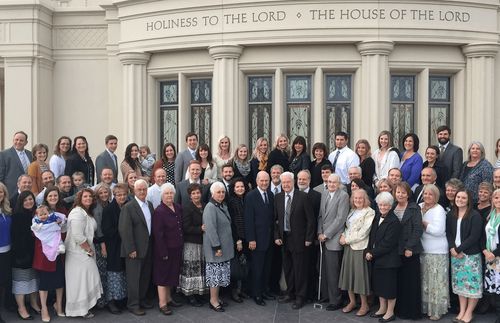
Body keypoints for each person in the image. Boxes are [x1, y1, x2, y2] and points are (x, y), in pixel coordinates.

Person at [274, 172, 314, 310]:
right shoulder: (278, 198)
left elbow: (311, 220)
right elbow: (275, 220)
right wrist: (277, 236)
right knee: (288, 268)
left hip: (300, 239)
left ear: (293, 182)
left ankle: (300, 296)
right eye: (283, 182)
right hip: (284, 239)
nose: (285, 185)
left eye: (288, 182)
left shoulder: (303, 197)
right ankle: (290, 293)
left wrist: (309, 238)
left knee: (300, 269)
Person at [64, 188, 103, 318]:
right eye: (85, 196)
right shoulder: (77, 213)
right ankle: (79, 310)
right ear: (79, 198)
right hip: (77, 253)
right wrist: (89, 250)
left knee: (85, 280)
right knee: (79, 282)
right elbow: (78, 236)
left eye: (90, 197)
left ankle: (85, 308)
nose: (88, 199)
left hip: (84, 252)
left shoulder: (87, 212)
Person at [118, 179, 154, 316]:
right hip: (134, 249)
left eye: (144, 189)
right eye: (139, 190)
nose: (142, 192)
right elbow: (124, 230)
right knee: (134, 278)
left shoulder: (149, 205)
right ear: (134, 191)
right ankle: (133, 304)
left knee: (145, 276)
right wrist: (130, 249)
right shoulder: (128, 207)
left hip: (148, 246)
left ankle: (142, 299)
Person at [446, 190, 483, 323]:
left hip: (470, 256)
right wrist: (452, 248)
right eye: (458, 197)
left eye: (463, 197)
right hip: (456, 255)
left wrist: (459, 249)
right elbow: (448, 233)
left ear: (468, 200)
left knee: (472, 286)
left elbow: (474, 236)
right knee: (461, 285)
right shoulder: (451, 214)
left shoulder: (475, 215)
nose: (460, 199)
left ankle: (469, 313)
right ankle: (462, 311)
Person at [365, 191, 402, 323]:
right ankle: (382, 308)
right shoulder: (377, 217)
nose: (383, 207)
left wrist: (372, 253)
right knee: (380, 285)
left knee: (389, 287)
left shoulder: (394, 222)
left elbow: (388, 244)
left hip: (389, 260)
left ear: (391, 205)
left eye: (385, 205)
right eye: (380, 205)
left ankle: (390, 312)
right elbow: (372, 237)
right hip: (379, 259)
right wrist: (370, 250)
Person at [338, 189, 374, 317]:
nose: (358, 200)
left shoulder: (369, 212)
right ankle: (352, 302)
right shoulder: (352, 211)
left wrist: (346, 240)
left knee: (360, 278)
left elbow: (364, 232)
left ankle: (365, 305)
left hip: (359, 248)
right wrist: (343, 236)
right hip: (348, 247)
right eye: (355, 198)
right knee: (348, 276)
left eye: (360, 198)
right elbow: (347, 227)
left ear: (365, 199)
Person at [317, 173, 349, 311]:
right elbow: (320, 215)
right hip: (322, 237)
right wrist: (319, 232)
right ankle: (326, 296)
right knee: (323, 269)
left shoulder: (343, 196)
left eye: (334, 182)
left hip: (334, 238)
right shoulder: (324, 193)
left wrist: (326, 234)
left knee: (333, 272)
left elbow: (340, 219)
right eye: (329, 182)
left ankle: (336, 300)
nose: (331, 184)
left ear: (339, 183)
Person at [393, 182, 423, 320]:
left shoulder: (414, 208)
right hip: (396, 250)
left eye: (403, 192)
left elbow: (417, 230)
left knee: (411, 282)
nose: (400, 194)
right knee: (400, 282)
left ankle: (411, 312)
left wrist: (409, 247)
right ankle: (400, 310)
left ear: (408, 194)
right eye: (398, 192)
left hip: (410, 251)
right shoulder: (393, 207)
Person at [152, 183, 184, 316]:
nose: (169, 195)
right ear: (162, 195)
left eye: (171, 193)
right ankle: (162, 303)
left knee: (172, 273)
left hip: (176, 247)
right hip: (164, 250)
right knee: (163, 276)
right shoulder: (159, 211)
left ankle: (169, 299)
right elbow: (158, 235)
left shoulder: (177, 207)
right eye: (166, 193)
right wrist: (163, 252)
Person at [203, 182, 234, 312]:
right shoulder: (210, 207)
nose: (221, 194)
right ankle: (213, 300)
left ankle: (216, 298)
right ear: (212, 193)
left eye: (223, 192)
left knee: (220, 274)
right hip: (216, 249)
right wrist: (217, 247)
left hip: (224, 248)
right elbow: (210, 229)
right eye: (218, 192)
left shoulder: (222, 205)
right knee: (214, 276)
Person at [31, 204, 66, 322]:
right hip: (43, 253)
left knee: (59, 281)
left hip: (57, 250)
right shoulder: (36, 218)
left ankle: (59, 306)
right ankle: (44, 308)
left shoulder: (57, 214)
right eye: (50, 196)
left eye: (55, 195)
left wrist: (59, 223)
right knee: (44, 282)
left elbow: (64, 227)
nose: (53, 198)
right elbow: (35, 231)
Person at [244, 171, 275, 306]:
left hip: (269, 239)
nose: (264, 183)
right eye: (261, 181)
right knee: (257, 268)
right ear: (257, 181)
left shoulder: (271, 194)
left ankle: (264, 290)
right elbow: (248, 220)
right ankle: (257, 294)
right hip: (256, 239)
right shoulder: (250, 196)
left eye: (266, 181)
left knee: (267, 267)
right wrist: (251, 239)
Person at [420, 184, 449, 321]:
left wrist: (425, 225)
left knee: (437, 282)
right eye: (425, 193)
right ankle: (426, 307)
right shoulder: (419, 206)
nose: (427, 196)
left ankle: (437, 310)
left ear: (436, 196)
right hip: (423, 249)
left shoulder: (439, 209)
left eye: (430, 194)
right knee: (426, 281)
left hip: (437, 251)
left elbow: (439, 231)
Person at [10, 190, 40, 320]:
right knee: (20, 282)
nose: (29, 202)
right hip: (21, 256)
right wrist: (21, 255)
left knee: (34, 281)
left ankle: (33, 303)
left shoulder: (36, 214)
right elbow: (16, 238)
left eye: (31, 199)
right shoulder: (17, 216)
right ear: (21, 202)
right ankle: (21, 308)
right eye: (26, 200)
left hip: (35, 254)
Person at [101, 183, 129, 314]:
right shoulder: (108, 209)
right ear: (114, 195)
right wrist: (123, 232)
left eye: (124, 194)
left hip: (125, 245)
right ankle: (111, 301)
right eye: (119, 195)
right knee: (114, 273)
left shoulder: (128, 206)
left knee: (123, 272)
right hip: (114, 245)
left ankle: (121, 299)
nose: (122, 197)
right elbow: (107, 230)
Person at [179, 183, 207, 307]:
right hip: (191, 243)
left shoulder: (205, 206)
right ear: (190, 196)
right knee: (191, 270)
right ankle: (189, 295)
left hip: (203, 243)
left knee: (200, 269)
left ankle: (198, 293)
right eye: (193, 193)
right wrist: (200, 228)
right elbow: (186, 227)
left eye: (198, 192)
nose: (196, 195)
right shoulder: (187, 208)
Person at [227, 178, 248, 303]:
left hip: (246, 237)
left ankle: (242, 290)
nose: (240, 189)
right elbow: (232, 222)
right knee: (236, 266)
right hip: (237, 238)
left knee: (244, 264)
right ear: (233, 189)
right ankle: (234, 292)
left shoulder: (246, 199)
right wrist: (238, 240)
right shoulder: (231, 201)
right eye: (237, 187)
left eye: (242, 186)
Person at [93, 183, 111, 308]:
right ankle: (101, 300)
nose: (104, 195)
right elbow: (98, 229)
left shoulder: (108, 205)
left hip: (109, 241)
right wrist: (103, 246)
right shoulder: (97, 208)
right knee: (102, 272)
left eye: (106, 192)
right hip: (100, 244)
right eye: (101, 193)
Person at [483, 189, 500, 323]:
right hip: (490, 257)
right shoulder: (491, 215)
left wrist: (493, 254)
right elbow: (484, 236)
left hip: (497, 257)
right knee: (494, 288)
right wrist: (486, 251)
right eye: (496, 198)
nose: (498, 200)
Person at [0, 182, 12, 323]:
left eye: (1, 192)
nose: (0, 194)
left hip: (7, 251)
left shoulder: (7, 210)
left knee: (5, 281)